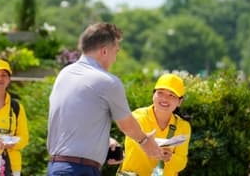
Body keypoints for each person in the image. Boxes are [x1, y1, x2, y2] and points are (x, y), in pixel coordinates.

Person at [47, 22, 163, 176]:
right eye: (116, 52)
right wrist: (145, 142)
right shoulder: (107, 82)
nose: (115, 59)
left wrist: (103, 142)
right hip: (81, 170)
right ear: (104, 51)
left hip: (56, 167)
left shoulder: (64, 75)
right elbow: (127, 125)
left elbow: (69, 121)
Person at [119, 74, 192, 176]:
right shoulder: (137, 117)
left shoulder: (183, 126)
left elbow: (182, 162)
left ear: (180, 101)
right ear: (153, 95)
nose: (164, 99)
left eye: (171, 95)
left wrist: (170, 158)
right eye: (160, 93)